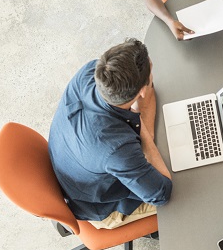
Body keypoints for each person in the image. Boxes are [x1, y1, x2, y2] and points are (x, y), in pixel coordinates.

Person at [48, 39, 172, 229]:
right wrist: (145, 137)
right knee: (190, 194)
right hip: (99, 206)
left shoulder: (91, 72)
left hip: (71, 162)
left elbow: (149, 95)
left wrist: (141, 127)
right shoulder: (117, 149)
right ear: (141, 90)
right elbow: (161, 193)